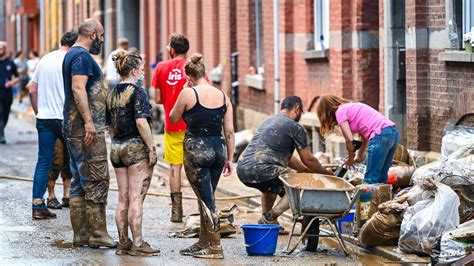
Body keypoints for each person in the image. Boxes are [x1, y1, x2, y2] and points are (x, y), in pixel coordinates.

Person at [170, 53, 234, 259]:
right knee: (206, 196)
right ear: (204, 73)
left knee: (208, 201)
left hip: (196, 150)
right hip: (218, 150)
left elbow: (173, 118)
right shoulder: (223, 96)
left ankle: (215, 248)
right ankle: (204, 241)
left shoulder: (188, 93)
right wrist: (230, 158)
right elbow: (230, 131)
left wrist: (183, 93)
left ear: (189, 77)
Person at [237, 96, 331, 229]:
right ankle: (270, 216)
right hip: (263, 168)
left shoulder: (268, 120)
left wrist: (304, 170)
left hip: (242, 169)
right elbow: (308, 159)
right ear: (297, 109)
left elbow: (288, 159)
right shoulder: (295, 127)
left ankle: (268, 222)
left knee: (271, 185)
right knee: (300, 186)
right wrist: (324, 173)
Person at [62, 19, 116, 248]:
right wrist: (89, 123)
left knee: (79, 180)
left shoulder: (72, 55)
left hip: (74, 127)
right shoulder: (82, 57)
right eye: (101, 35)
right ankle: (98, 234)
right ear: (93, 34)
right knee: (97, 177)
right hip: (84, 129)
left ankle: (81, 234)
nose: (102, 40)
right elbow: (77, 87)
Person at [106, 50, 159, 256]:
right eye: (142, 69)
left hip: (117, 147)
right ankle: (138, 244)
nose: (143, 72)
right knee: (136, 197)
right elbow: (141, 122)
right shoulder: (138, 92)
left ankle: (123, 242)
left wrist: (117, 141)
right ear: (135, 71)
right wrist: (151, 148)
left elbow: (109, 127)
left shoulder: (111, 94)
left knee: (123, 198)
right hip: (135, 147)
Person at [28, 31, 78, 219]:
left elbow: (32, 90)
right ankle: (77, 202)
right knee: (77, 159)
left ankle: (38, 205)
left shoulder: (45, 59)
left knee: (43, 162)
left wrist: (38, 112)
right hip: (65, 118)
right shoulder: (73, 60)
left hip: (45, 118)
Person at [316, 94, 399, 184]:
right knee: (382, 177)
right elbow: (364, 138)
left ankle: (367, 198)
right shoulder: (352, 107)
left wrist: (350, 159)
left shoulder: (339, 112)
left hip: (380, 135)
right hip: (393, 133)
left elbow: (350, 141)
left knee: (370, 179)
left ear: (325, 112)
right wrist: (357, 157)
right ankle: (383, 197)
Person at [152, 33, 190, 222]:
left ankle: (176, 212)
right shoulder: (193, 67)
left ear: (172, 50)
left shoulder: (161, 67)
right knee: (197, 168)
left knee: (175, 167)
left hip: (172, 125)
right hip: (193, 126)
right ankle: (205, 209)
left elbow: (158, 99)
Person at [0, 41, 19, 144]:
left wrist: (11, 83)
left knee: (6, 113)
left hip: (7, 93)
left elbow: (17, 77)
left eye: (1, 48)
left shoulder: (10, 63)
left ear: (5, 49)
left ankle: (1, 130)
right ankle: (1, 136)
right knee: (0, 112)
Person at [46, 139, 73, 209]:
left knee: (69, 158)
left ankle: (66, 195)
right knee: (56, 157)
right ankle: (51, 196)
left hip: (69, 129)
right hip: (55, 129)